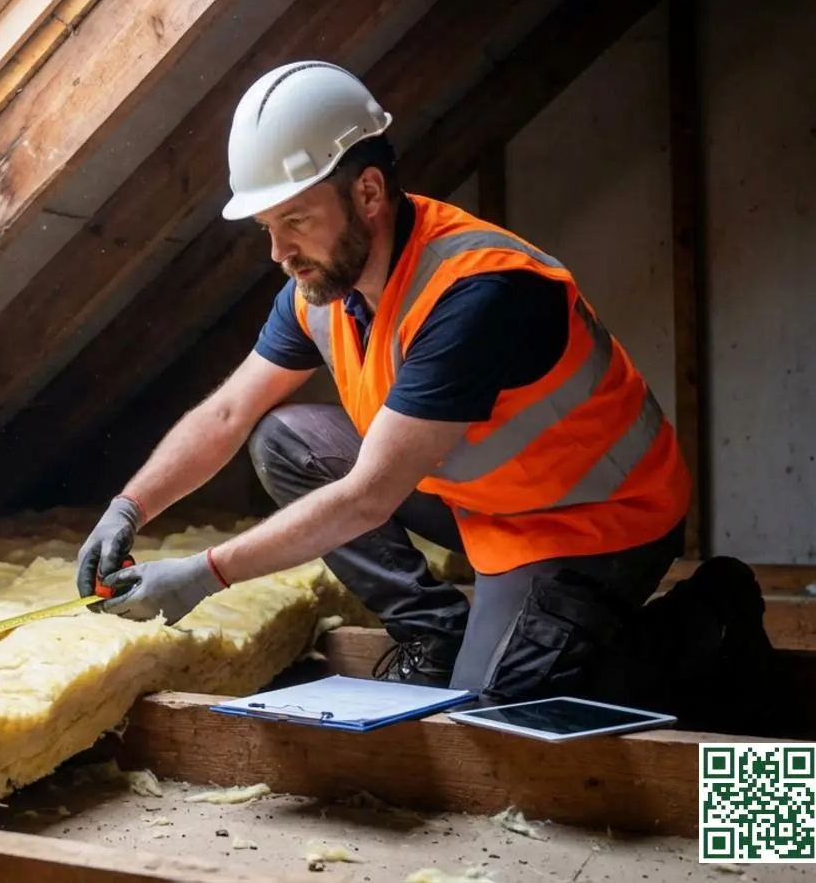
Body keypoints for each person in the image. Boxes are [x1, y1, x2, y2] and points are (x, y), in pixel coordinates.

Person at [75, 61, 773, 715]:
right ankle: (434, 631)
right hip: (482, 504)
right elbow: (229, 411)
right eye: (267, 227)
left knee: (506, 717)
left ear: (369, 192)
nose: (278, 253)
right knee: (283, 439)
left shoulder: (476, 292)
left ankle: (710, 614)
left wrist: (204, 574)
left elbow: (368, 496)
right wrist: (128, 508)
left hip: (593, 522)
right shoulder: (321, 284)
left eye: (294, 220)